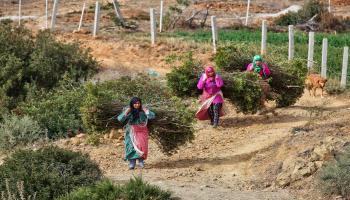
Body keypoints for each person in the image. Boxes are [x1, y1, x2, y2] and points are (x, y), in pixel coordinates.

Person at [117, 97, 155, 170]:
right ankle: (132, 163)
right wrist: (126, 112)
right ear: (132, 104)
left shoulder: (143, 111)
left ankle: (141, 162)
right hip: (131, 132)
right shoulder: (129, 111)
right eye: (135, 103)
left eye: (138, 103)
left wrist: (146, 111)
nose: (137, 105)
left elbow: (152, 117)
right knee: (131, 147)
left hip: (142, 131)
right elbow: (120, 119)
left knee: (142, 146)